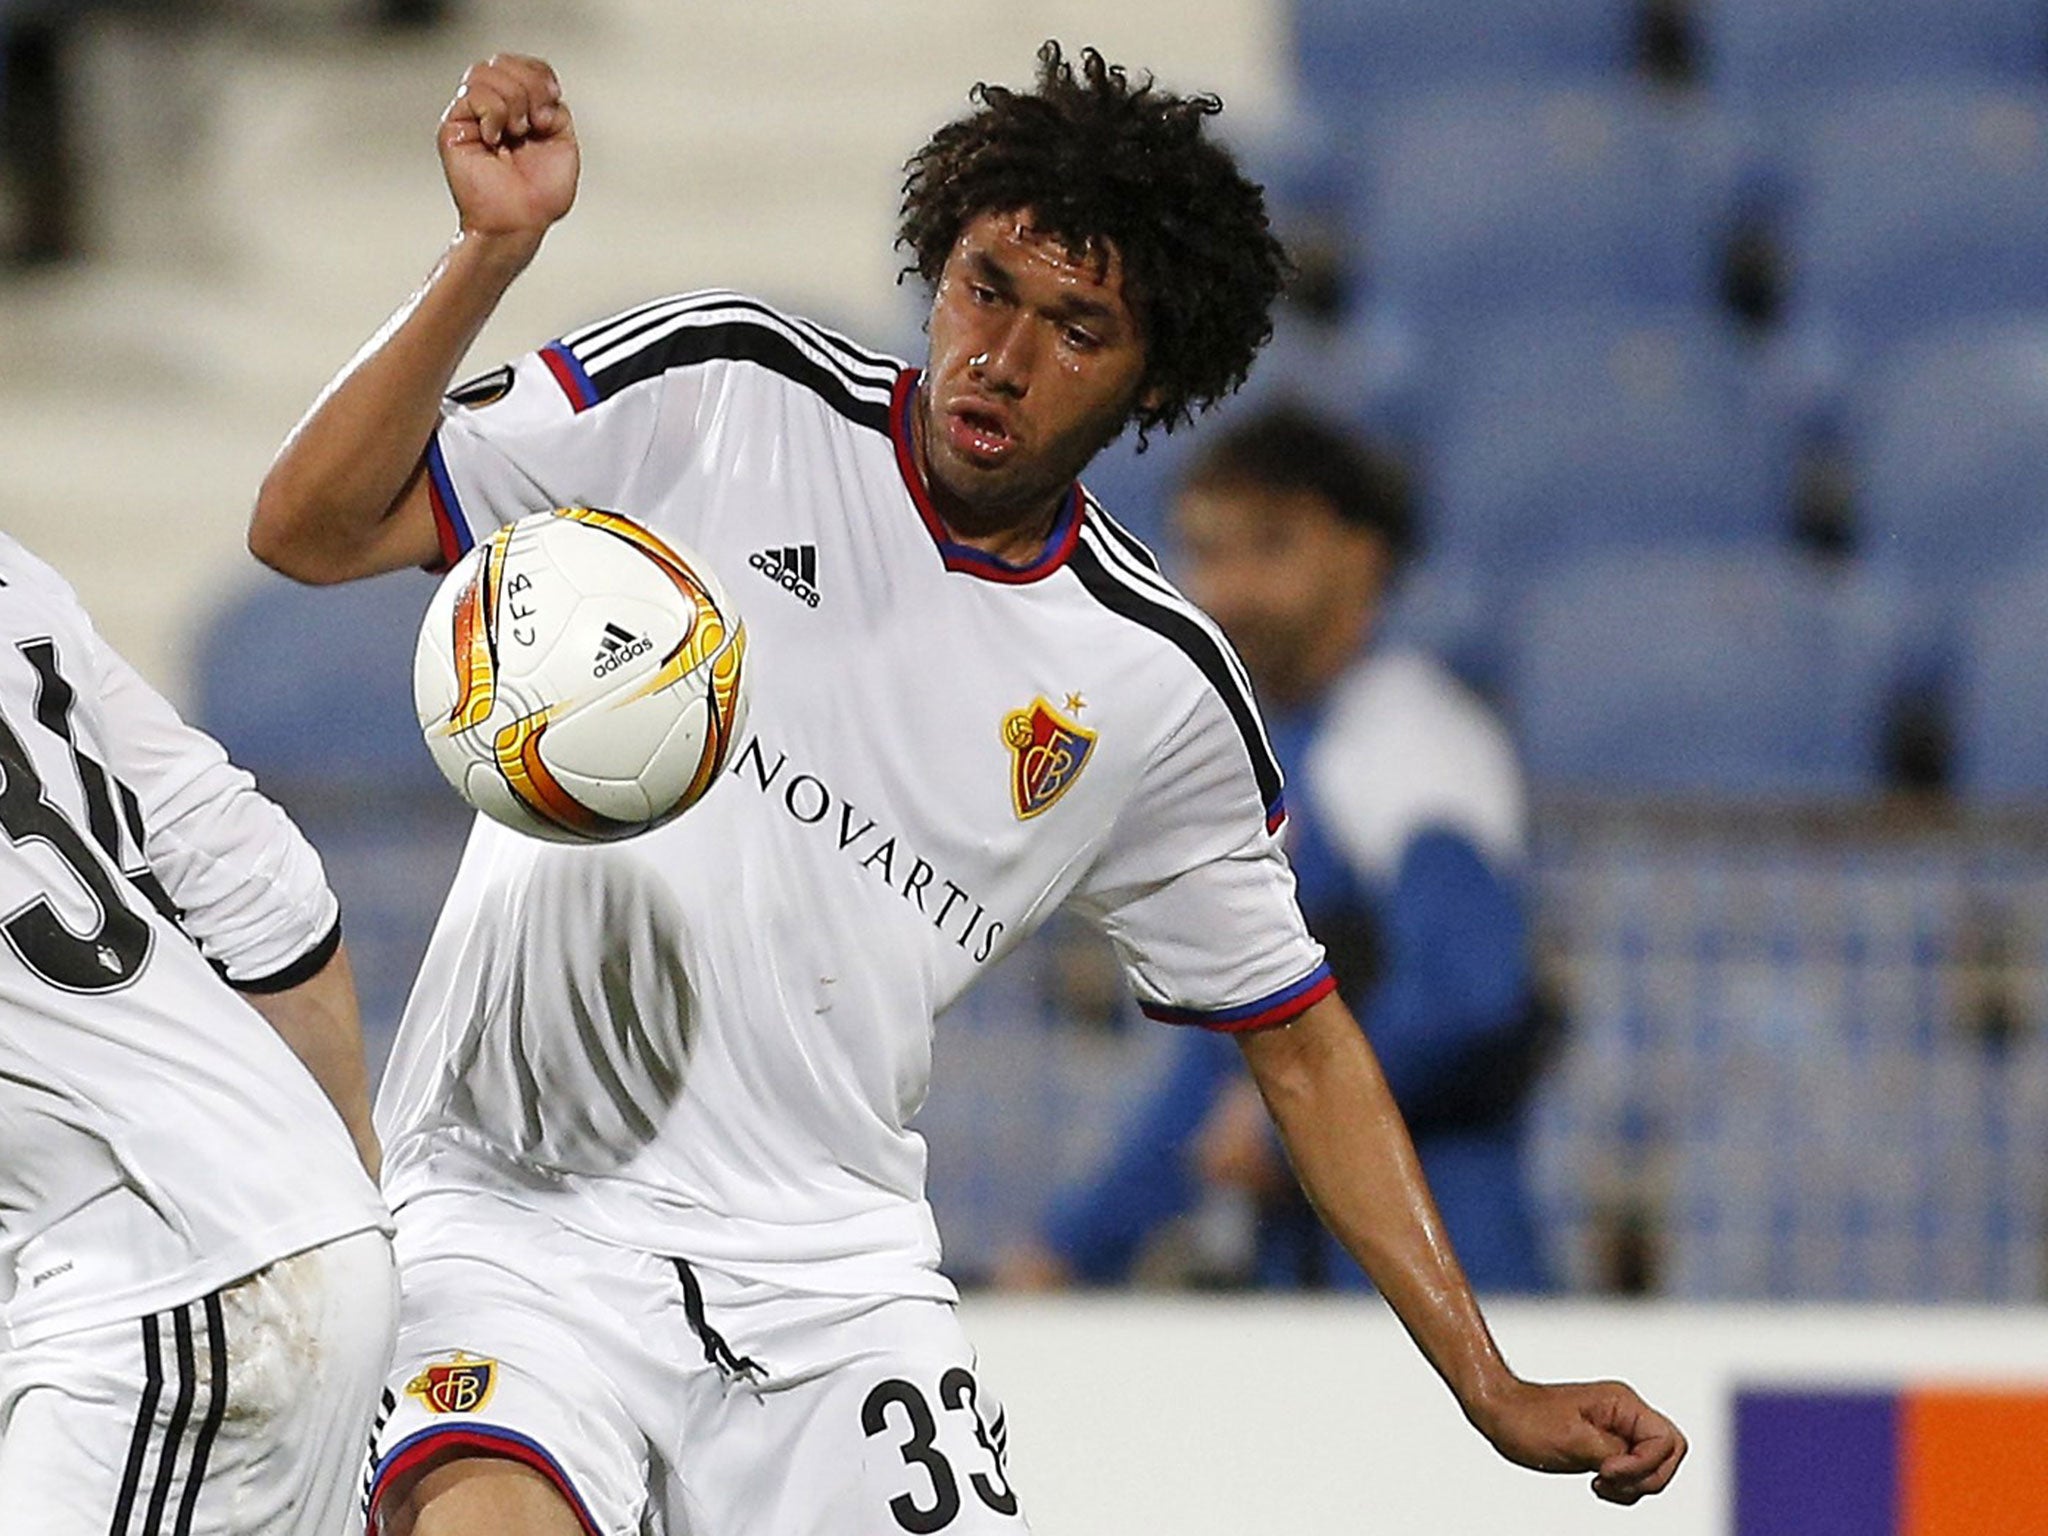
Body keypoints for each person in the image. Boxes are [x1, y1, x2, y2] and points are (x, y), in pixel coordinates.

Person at [249, 45, 1687, 1536]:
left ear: (1150, 383)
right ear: (934, 269)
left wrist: (1487, 1382)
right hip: (516, 1206)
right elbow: (310, 525)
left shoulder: (1156, 686)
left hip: (832, 1287)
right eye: (985, 285)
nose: (1004, 352)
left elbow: (1303, 1047)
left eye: (1081, 328)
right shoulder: (733, 391)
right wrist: (493, 252)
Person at [999, 406, 1554, 1294]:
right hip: (1308, 1286)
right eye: (1207, 554)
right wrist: (1070, 1250)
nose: (1230, 590)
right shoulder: (1251, 769)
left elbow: (1471, 983)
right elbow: (1214, 1071)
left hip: (1449, 1271)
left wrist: (1282, 1118)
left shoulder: (1405, 735)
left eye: (1270, 548)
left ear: (1362, 559)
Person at [0, 532, 396, 1534]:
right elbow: (262, 890)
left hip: (166, 1281)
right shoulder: (16, 581)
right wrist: (342, 1208)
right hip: (234, 1253)